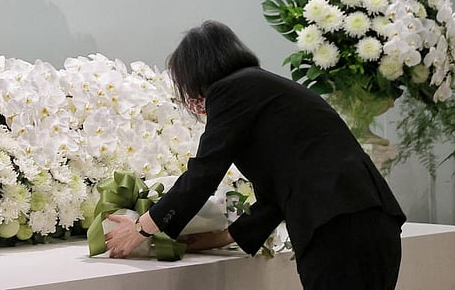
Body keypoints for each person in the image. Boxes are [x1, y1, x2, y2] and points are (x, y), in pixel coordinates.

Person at [105, 20, 405, 290]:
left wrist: (140, 228)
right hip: (371, 224)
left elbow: (203, 174)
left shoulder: (230, 91)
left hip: (337, 230)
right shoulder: (264, 88)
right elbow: (275, 196)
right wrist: (222, 237)